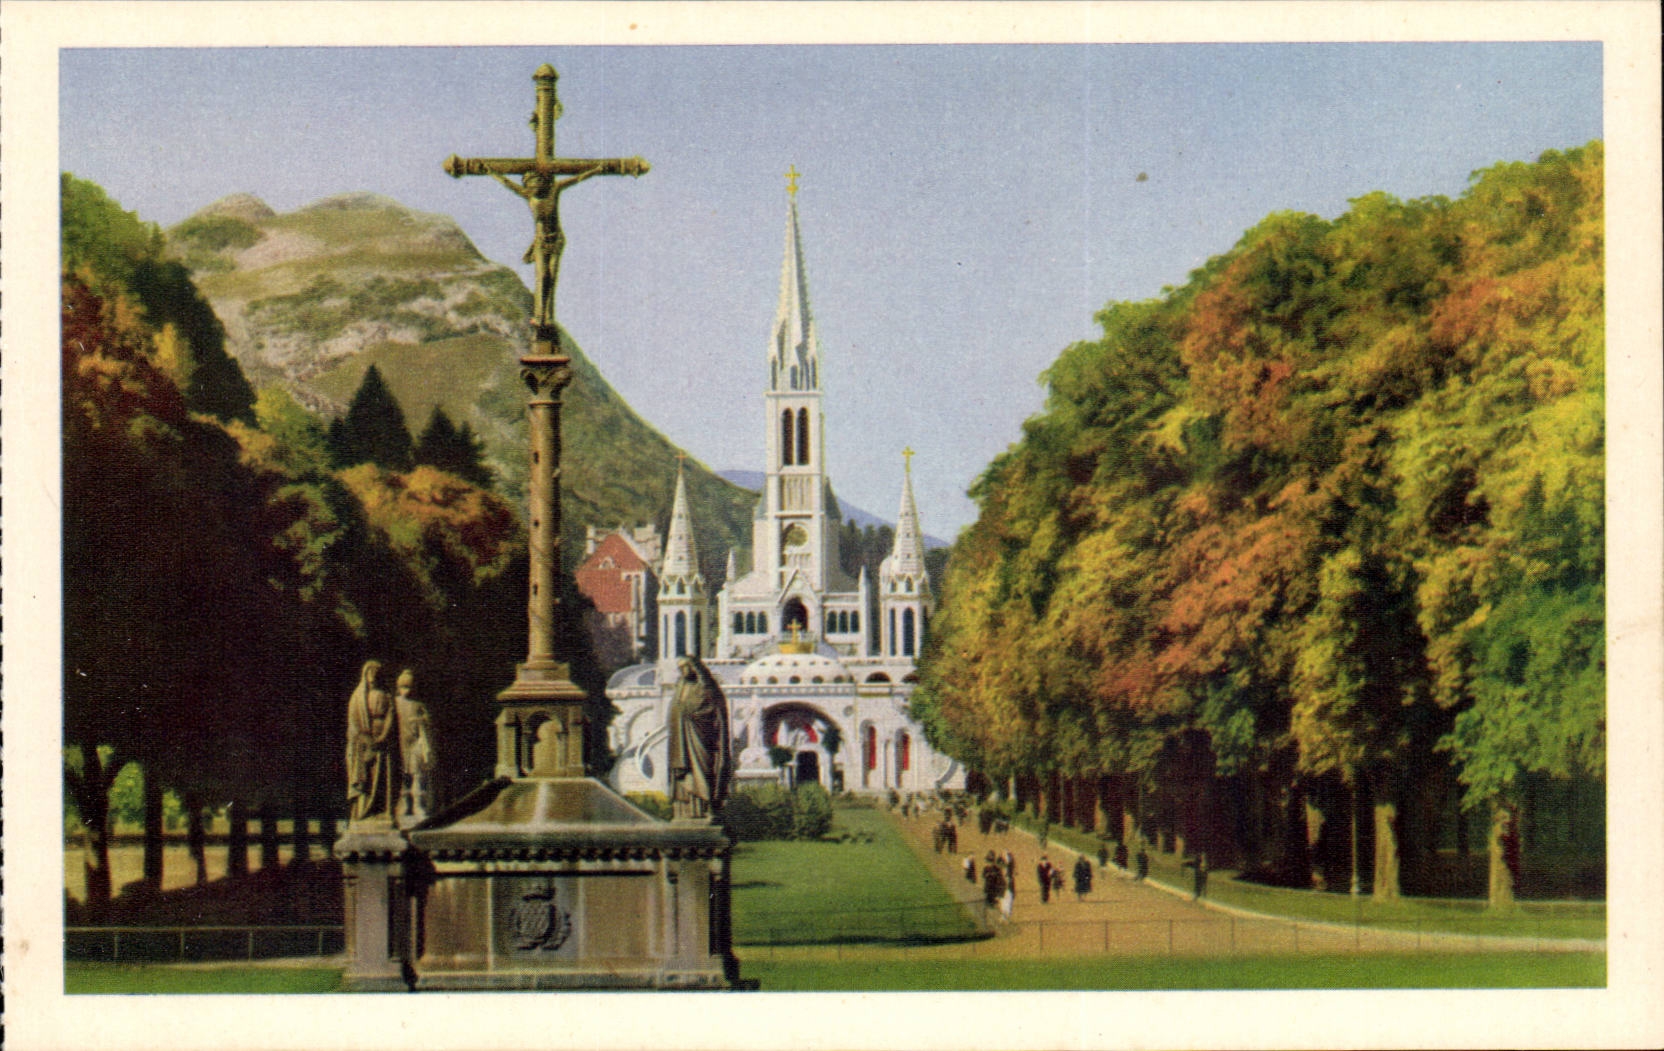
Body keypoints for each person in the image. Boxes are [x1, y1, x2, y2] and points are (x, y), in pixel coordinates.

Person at [668, 655, 733, 820]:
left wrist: (692, 715)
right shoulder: (681, 688)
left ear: (694, 667)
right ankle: (686, 812)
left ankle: (707, 808)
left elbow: (713, 712)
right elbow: (677, 711)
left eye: (685, 666)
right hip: (681, 740)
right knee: (687, 774)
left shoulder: (707, 688)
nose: (682, 671)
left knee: (703, 771)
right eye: (680, 668)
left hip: (700, 738)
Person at [346, 660, 395, 822]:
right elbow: (353, 722)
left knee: (380, 775)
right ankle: (362, 811)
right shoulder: (358, 696)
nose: (373, 677)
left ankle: (380, 810)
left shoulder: (386, 695)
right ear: (365, 675)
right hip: (364, 742)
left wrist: (383, 736)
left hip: (381, 739)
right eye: (370, 673)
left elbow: (390, 716)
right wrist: (365, 738)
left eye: (376, 674)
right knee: (364, 777)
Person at [395, 669, 435, 825]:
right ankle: (404, 805)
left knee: (418, 775)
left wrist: (421, 720)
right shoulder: (395, 704)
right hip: (400, 744)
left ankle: (419, 805)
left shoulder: (418, 705)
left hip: (415, 743)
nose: (407, 690)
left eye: (409, 687)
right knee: (402, 777)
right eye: (403, 687)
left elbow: (428, 721)